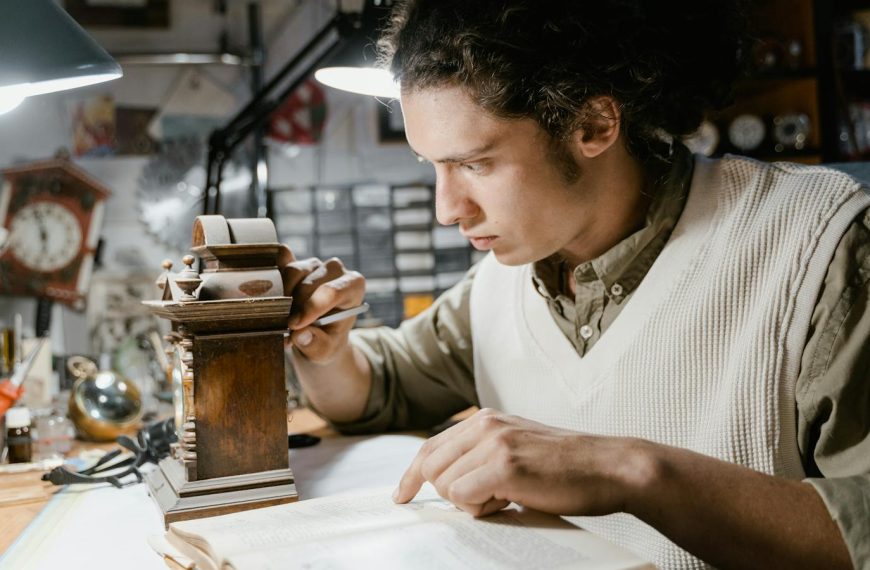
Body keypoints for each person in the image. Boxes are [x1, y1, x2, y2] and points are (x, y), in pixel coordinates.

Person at [281, 1, 870, 567]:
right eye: (431, 165)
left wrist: (634, 471)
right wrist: (324, 347)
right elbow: (382, 385)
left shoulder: (819, 247)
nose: (446, 208)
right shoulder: (501, 282)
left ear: (592, 125)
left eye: (475, 164)